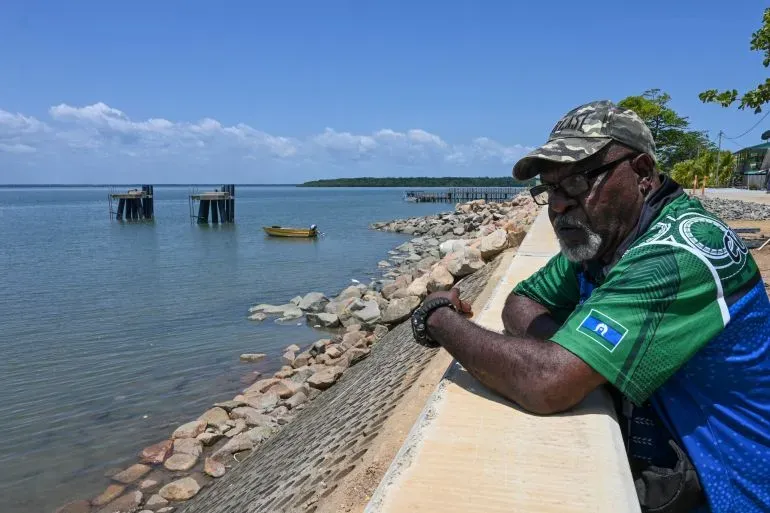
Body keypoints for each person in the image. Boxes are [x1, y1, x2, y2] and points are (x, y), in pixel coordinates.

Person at [410, 100, 770, 512]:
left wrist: (437, 316)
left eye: (578, 183)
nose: (559, 205)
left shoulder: (676, 255)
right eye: (550, 189)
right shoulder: (603, 240)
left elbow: (546, 385)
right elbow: (520, 303)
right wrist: (584, 358)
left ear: (642, 174)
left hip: (735, 495)